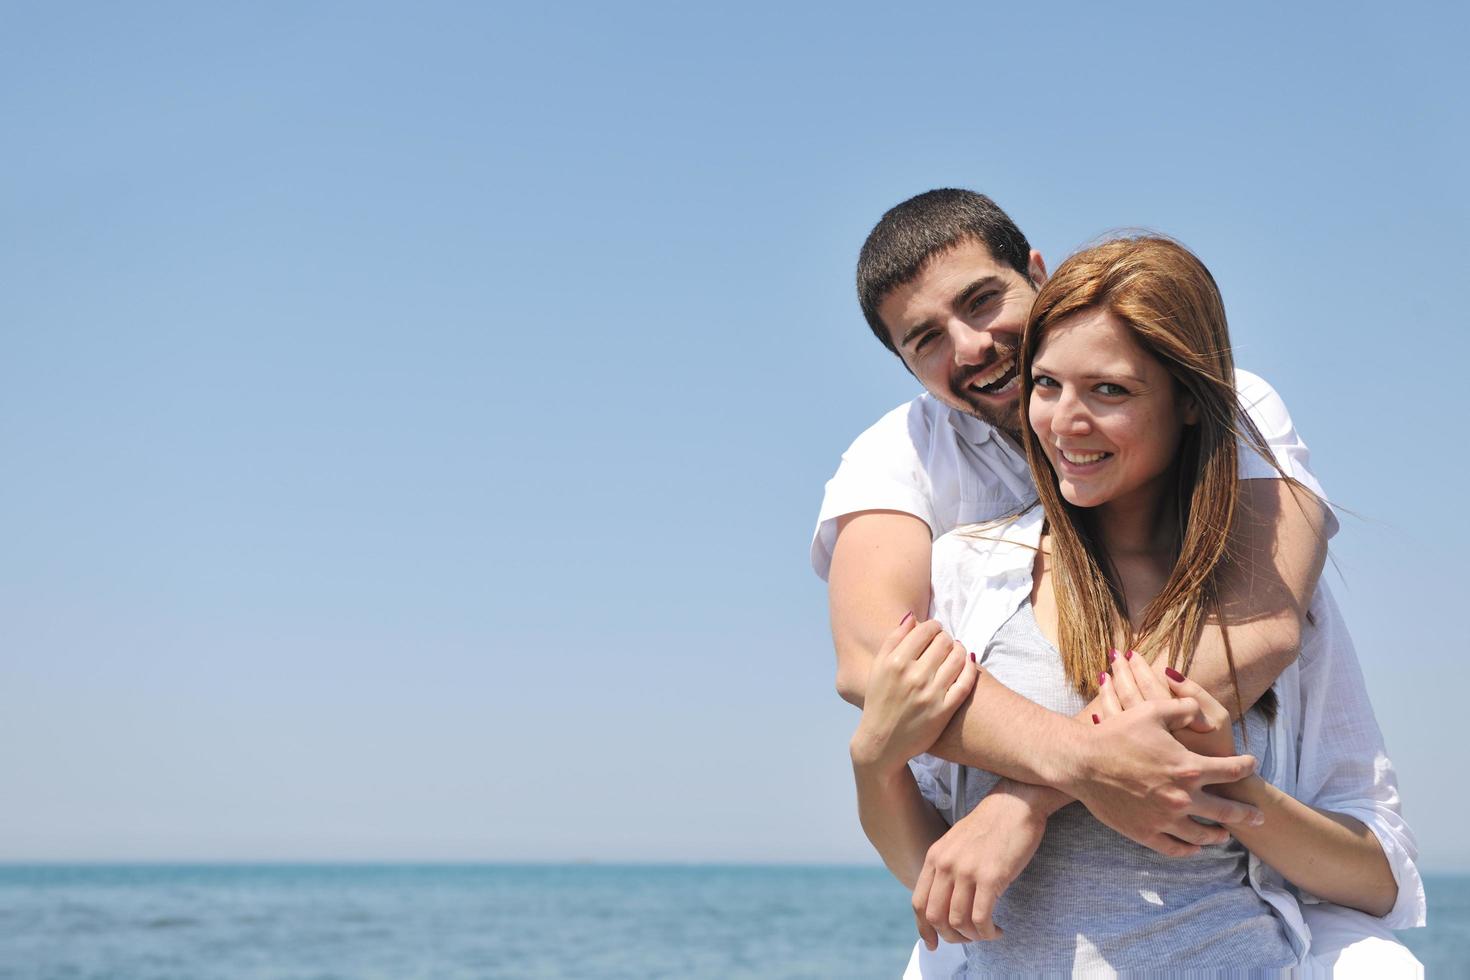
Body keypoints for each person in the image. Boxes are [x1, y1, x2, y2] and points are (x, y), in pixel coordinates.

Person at [846, 236, 1424, 975]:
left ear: (1188, 400)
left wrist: (1230, 790)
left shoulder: (1264, 599)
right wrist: (872, 762)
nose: (1065, 421)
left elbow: (1377, 881)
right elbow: (942, 879)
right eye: (1047, 386)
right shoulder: (967, 573)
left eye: (1110, 391)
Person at [815, 189, 1328, 895]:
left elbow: (1261, 619)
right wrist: (1080, 762)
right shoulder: (898, 455)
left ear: (1037, 271)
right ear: (906, 367)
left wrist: (1029, 797)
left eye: (981, 300)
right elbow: (874, 662)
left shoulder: (1217, 397)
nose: (969, 346)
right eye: (925, 339)